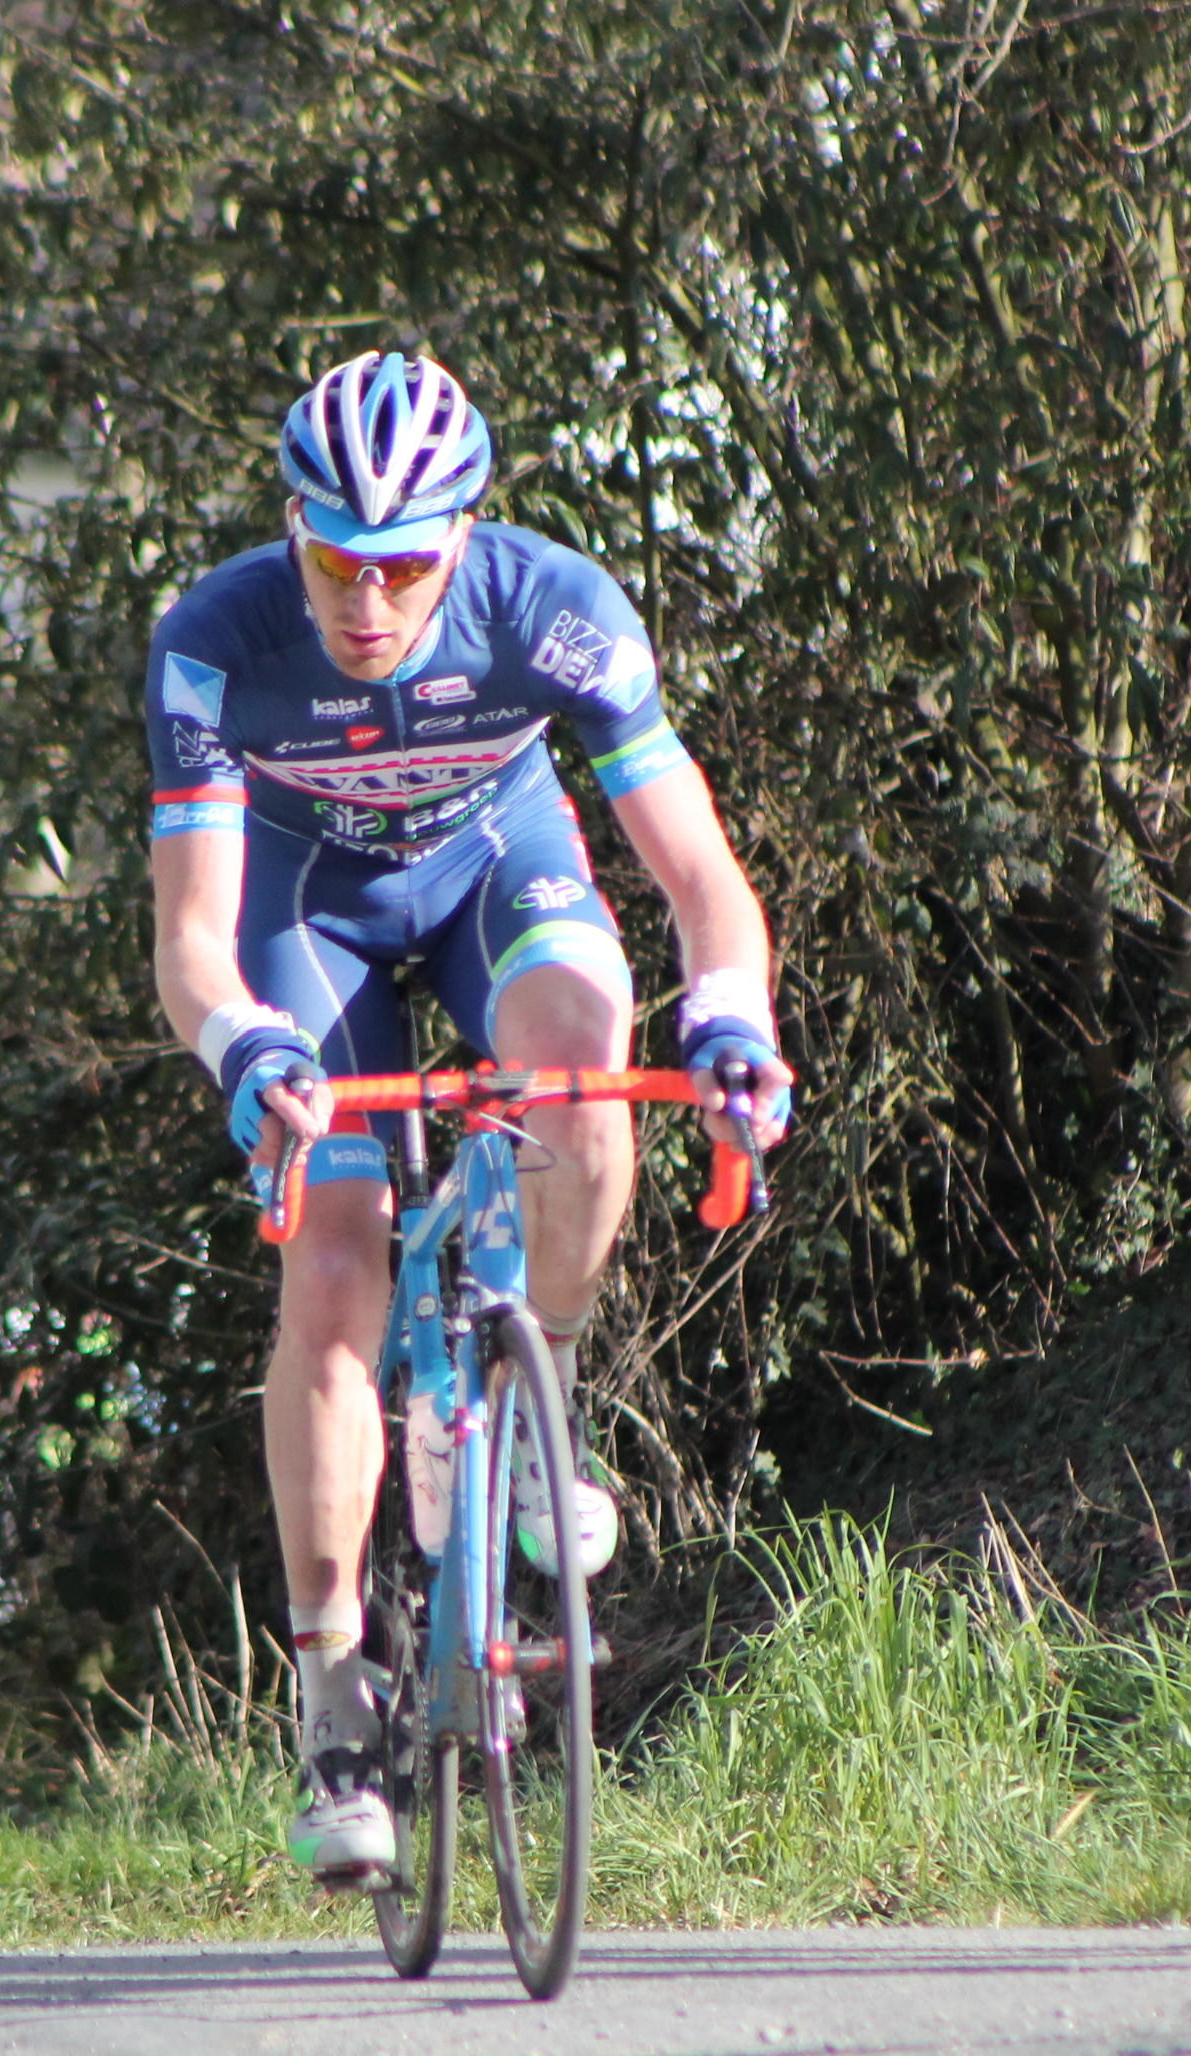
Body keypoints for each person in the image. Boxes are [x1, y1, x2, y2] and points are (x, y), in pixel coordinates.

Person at [145, 351, 789, 1881]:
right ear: (292, 531)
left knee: (585, 1074)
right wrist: (244, 1043)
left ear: (465, 535)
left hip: (497, 864)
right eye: (336, 563)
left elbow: (701, 879)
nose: (368, 601)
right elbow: (192, 937)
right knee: (335, 1260)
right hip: (306, 911)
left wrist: (733, 1020)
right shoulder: (214, 642)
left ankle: (530, 1401)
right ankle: (332, 1694)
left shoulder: (555, 607)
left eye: (405, 566)